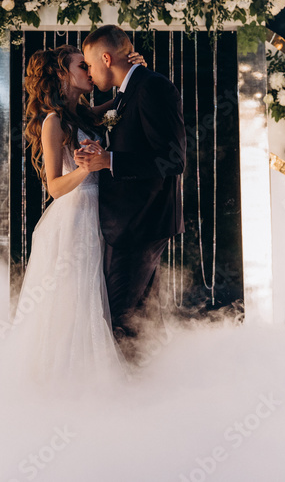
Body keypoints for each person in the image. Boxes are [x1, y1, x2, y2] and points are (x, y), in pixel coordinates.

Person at [10, 43, 145, 384]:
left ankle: (83, 382)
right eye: (81, 66)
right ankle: (62, 385)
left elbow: (122, 100)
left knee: (91, 298)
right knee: (73, 299)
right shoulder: (53, 121)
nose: (89, 71)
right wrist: (88, 168)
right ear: (61, 74)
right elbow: (54, 187)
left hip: (94, 214)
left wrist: (137, 71)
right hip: (73, 218)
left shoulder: (82, 115)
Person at [75, 25, 186, 354]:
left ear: (106, 58)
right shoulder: (128, 91)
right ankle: (149, 393)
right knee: (141, 320)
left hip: (142, 223)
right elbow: (107, 122)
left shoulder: (152, 87)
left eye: (91, 65)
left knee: (122, 319)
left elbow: (173, 159)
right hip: (130, 224)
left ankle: (129, 397)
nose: (91, 74)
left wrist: (110, 160)